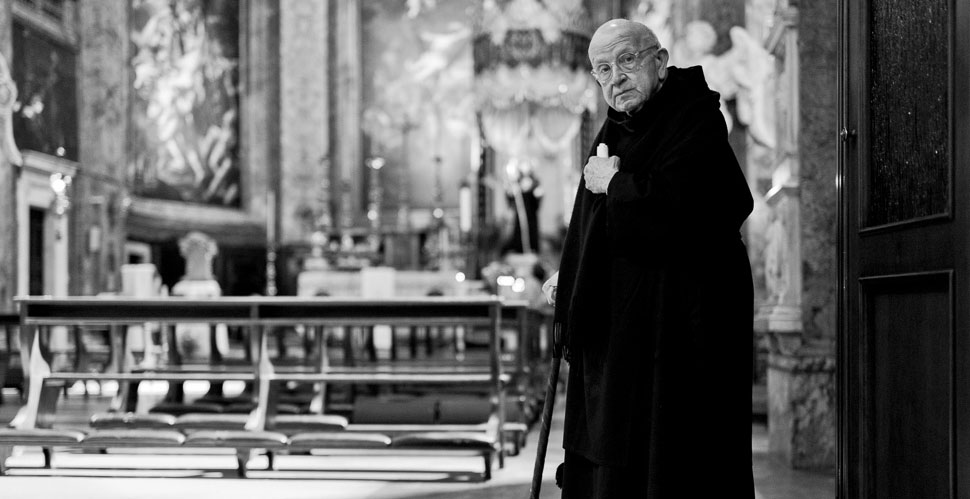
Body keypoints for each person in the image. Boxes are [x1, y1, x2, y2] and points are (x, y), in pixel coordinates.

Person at [542, 19, 755, 497]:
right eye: (602, 69)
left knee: (672, 456)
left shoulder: (692, 116)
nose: (614, 77)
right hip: (625, 332)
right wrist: (575, 271)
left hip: (681, 328)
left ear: (658, 62)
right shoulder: (617, 128)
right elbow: (601, 226)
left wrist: (614, 184)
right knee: (619, 449)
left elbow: (695, 208)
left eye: (626, 60)